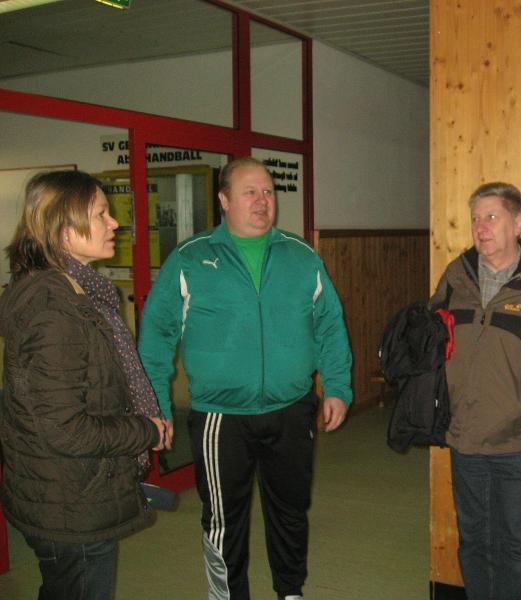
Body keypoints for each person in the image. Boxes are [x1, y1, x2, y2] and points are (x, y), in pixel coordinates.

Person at [138, 157, 352, 600]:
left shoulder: (301, 256)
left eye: (268, 191)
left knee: (291, 511)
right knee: (224, 519)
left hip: (292, 409)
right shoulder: (191, 259)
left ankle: (290, 592)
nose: (262, 201)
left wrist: (336, 386)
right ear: (224, 200)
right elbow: (156, 337)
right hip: (221, 417)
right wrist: (156, 406)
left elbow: (330, 324)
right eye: (250, 192)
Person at [0, 170, 168, 600]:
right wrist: (145, 430)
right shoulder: (55, 309)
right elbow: (64, 429)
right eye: (100, 214)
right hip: (69, 501)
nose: (115, 223)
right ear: (63, 231)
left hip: (71, 489)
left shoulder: (78, 293)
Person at [429, 182, 521, 600]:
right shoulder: (456, 276)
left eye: (492, 217)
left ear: (518, 223)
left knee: (516, 550)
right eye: (476, 218)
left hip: (518, 441)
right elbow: (431, 338)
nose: (481, 227)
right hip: (464, 435)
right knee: (473, 543)